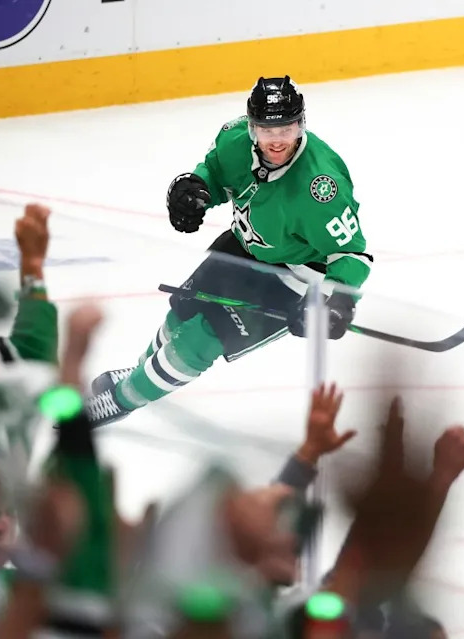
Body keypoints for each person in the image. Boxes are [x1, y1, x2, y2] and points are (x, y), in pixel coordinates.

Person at [86, 76, 372, 427]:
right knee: (183, 311)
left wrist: (335, 301)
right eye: (267, 130)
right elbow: (216, 175)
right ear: (252, 128)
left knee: (202, 338)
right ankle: (143, 372)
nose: (277, 140)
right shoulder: (234, 139)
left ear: (302, 124)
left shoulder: (321, 187)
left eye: (287, 128)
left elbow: (352, 255)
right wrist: (196, 191)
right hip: (242, 243)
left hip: (294, 275)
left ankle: (122, 399)